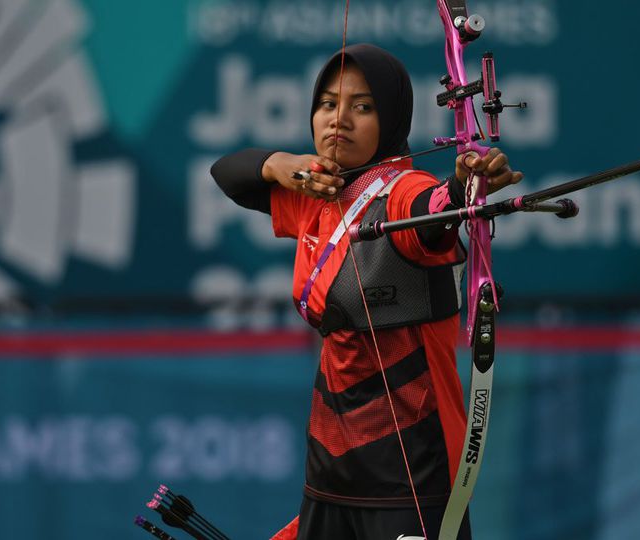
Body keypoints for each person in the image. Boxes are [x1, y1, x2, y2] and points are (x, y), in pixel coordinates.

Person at [211, 44, 522, 540]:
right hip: (330, 471)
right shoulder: (318, 192)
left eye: (363, 107)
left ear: (392, 117)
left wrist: (466, 184)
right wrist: (280, 163)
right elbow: (228, 174)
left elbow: (432, 212)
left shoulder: (401, 191)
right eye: (328, 104)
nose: (340, 119)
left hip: (410, 474)